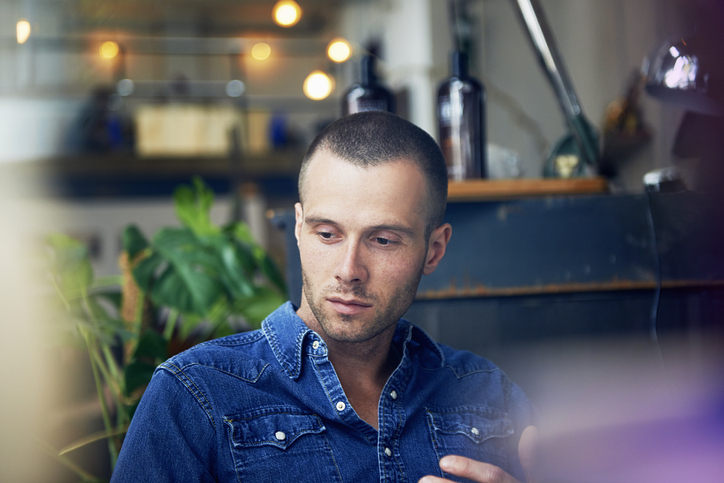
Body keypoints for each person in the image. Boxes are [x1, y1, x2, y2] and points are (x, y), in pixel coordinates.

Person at [111, 111, 537, 483]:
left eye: (384, 240)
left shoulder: (489, 394)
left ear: (435, 250)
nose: (349, 270)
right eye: (327, 234)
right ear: (298, 228)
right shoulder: (194, 395)